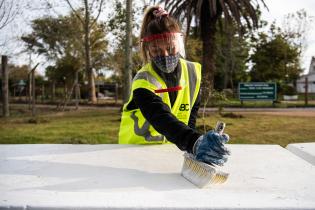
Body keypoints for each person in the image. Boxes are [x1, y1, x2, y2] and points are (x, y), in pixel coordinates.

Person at [119, 6, 230, 166]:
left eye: (170, 48)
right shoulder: (143, 80)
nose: (164, 55)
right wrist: (195, 142)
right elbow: (160, 118)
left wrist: (193, 145)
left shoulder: (193, 72)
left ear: (180, 42)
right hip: (134, 153)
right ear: (148, 49)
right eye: (156, 50)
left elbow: (190, 115)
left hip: (170, 151)